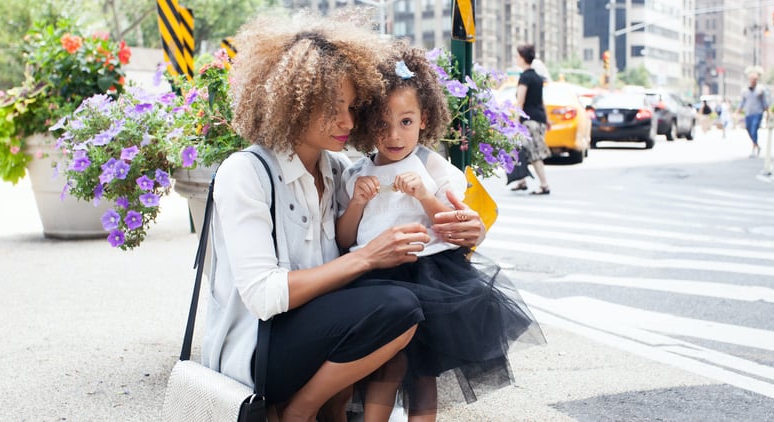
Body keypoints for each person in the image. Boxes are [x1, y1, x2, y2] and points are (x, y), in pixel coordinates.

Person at [201, 13, 488, 422]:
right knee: (396, 306)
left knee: (403, 307)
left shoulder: (338, 170)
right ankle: (300, 410)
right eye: (333, 109)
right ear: (292, 105)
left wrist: (471, 231)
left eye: (353, 108)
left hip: (320, 333)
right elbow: (264, 297)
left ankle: (326, 407)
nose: (349, 123)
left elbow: (418, 218)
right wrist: (368, 257)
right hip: (259, 350)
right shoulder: (245, 172)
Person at [337, 43, 544, 421]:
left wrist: (425, 195)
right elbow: (345, 239)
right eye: (382, 123)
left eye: (405, 122)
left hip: (430, 277)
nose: (394, 135)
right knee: (386, 364)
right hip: (374, 280)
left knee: (423, 370)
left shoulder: (434, 167)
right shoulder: (356, 174)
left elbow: (453, 227)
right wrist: (356, 204)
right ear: (367, 124)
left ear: (424, 119)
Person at [510, 44, 552, 195]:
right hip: (539, 119)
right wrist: (547, 120)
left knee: (533, 153)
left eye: (517, 56)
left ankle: (544, 184)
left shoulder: (525, 77)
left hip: (529, 121)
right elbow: (541, 101)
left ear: (522, 58)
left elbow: (520, 102)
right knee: (521, 150)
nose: (516, 59)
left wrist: (515, 122)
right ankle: (522, 181)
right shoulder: (537, 77)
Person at [738, 71, 768, 157]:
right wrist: (738, 111)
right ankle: (757, 145)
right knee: (749, 129)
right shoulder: (745, 91)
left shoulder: (761, 90)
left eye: (754, 79)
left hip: (758, 113)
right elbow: (742, 102)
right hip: (748, 113)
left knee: (754, 129)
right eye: (751, 79)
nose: (753, 81)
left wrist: (767, 112)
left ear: (757, 80)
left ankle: (754, 149)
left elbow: (764, 102)